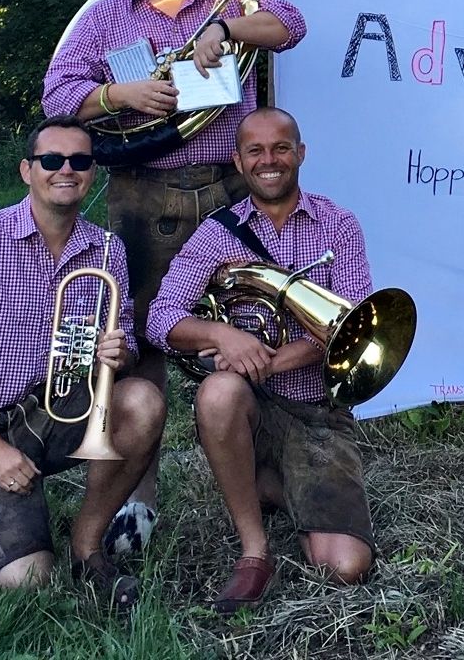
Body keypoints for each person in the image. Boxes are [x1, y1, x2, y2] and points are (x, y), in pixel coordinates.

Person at [42, 0, 307, 552]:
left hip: (230, 191)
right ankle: (139, 501)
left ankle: (265, 478)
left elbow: (291, 24)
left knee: (256, 327)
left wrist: (228, 31)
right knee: (142, 342)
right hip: (145, 194)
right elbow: (57, 96)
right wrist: (119, 94)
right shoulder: (104, 18)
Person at [0, 116, 165, 613]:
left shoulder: (107, 249)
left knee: (142, 402)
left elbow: (125, 345)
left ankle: (87, 547)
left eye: (80, 160)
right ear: (27, 170)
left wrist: (120, 354)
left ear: (92, 173)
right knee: (26, 580)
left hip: (57, 406)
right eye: (52, 160)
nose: (66, 169)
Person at [147, 107, 376, 613]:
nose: (268, 160)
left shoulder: (338, 225)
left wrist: (269, 360)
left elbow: (354, 327)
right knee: (219, 392)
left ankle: (272, 484)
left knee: (345, 566)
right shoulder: (216, 233)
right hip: (248, 406)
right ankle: (254, 551)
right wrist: (221, 334)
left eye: (280, 148)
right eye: (255, 151)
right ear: (238, 160)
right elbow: (161, 319)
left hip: (317, 412)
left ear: (300, 154)